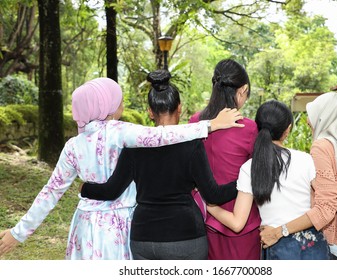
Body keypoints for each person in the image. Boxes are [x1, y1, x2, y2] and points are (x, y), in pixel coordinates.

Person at [0, 77, 244, 260]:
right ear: (105, 106)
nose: (122, 103)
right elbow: (162, 135)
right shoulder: (120, 132)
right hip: (118, 227)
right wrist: (209, 125)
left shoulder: (72, 146)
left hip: (84, 227)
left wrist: (18, 233)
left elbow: (50, 192)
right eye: (119, 100)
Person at [80, 70, 239, 260]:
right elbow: (213, 195)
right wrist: (245, 181)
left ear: (150, 112)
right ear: (179, 108)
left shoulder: (134, 145)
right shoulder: (192, 144)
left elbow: (111, 191)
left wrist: (84, 188)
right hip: (185, 237)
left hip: (143, 239)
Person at [260, 92, 337, 260]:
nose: (310, 121)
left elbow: (334, 205)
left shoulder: (322, 147)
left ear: (326, 116)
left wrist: (279, 231)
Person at [207, 100, 332, 260]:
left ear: (258, 128)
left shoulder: (250, 168)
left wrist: (210, 207)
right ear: (287, 129)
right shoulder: (306, 160)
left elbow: (237, 223)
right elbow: (320, 206)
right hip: (312, 244)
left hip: (277, 245)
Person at [189, 58, 261, 260]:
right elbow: (257, 175)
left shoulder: (195, 122)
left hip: (203, 217)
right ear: (243, 89)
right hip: (241, 221)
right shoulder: (248, 128)